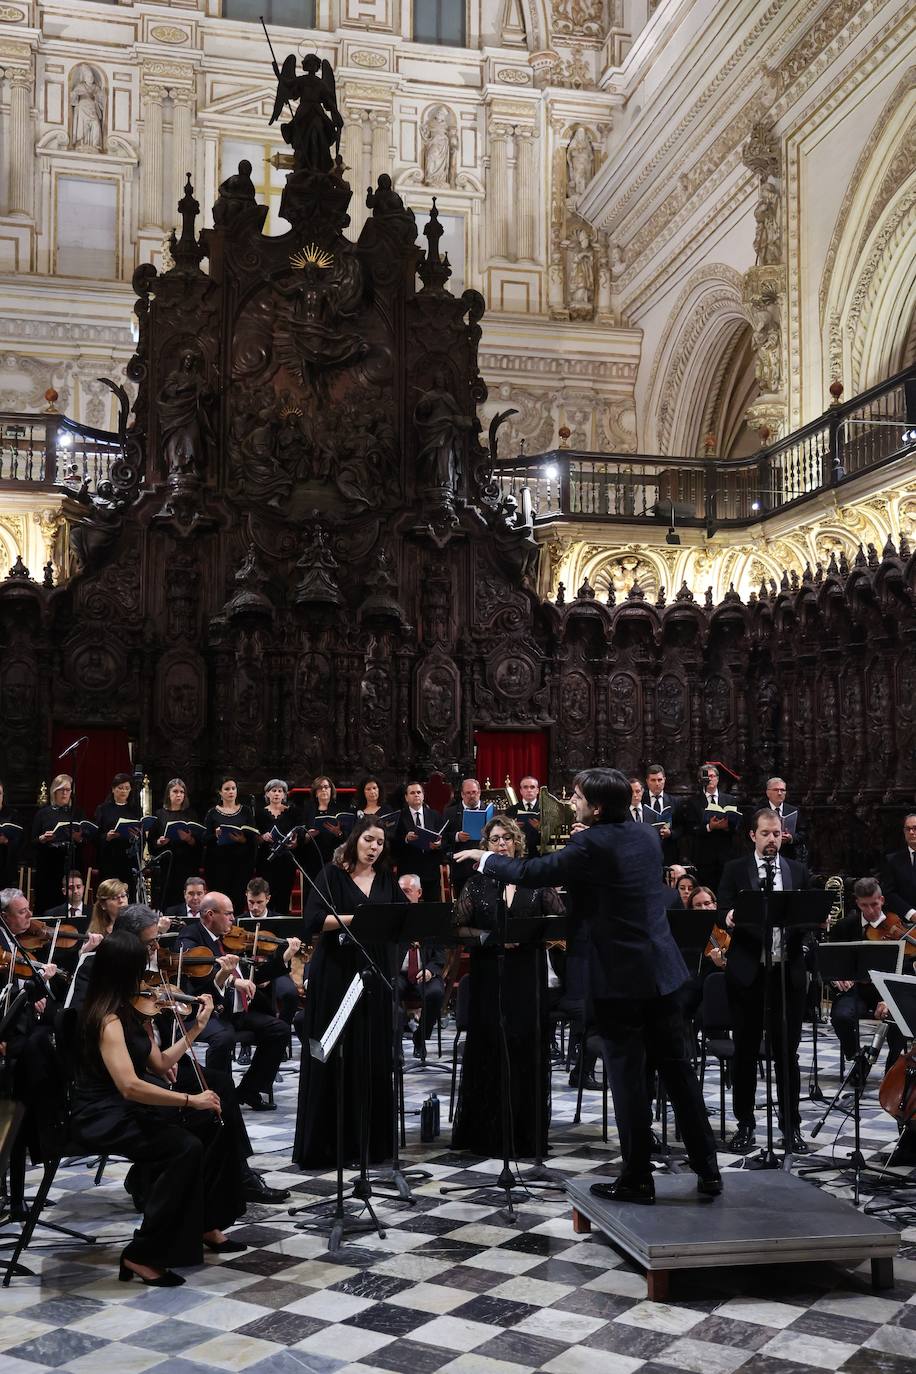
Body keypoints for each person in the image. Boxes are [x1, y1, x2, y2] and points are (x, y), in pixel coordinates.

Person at [456, 769, 720, 1205]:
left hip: (619, 980)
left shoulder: (589, 843)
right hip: (662, 972)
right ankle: (708, 1170)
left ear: (595, 808)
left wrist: (483, 858)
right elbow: (608, 869)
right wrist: (588, 841)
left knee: (629, 1079)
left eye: (577, 798)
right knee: (678, 1073)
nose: (571, 803)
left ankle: (637, 1178)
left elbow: (535, 870)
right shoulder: (644, 835)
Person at [66, 905, 289, 1205]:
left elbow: (176, 1005)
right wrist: (143, 1041)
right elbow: (84, 1021)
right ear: (129, 942)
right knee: (200, 1105)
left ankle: (233, 1175)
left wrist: (204, 1004)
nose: (157, 948)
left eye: (157, 939)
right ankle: (159, 1178)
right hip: (125, 1071)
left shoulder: (159, 966)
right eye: (149, 942)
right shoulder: (97, 969)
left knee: (219, 1083)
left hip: (158, 1060)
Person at [71, 929, 247, 1285]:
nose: (148, 977)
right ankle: (141, 1254)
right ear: (122, 972)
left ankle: (204, 1223)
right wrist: (188, 1098)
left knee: (210, 1124)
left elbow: (159, 1062)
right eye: (140, 969)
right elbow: (130, 1086)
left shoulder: (131, 1010)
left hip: (124, 1106)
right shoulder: (107, 1019)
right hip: (102, 1113)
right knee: (183, 1148)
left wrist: (196, 1028)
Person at [293, 817, 404, 1169]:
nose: (374, 848)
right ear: (356, 840)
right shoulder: (331, 874)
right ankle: (331, 1144)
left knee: (370, 1054)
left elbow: (402, 917)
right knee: (337, 1055)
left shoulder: (386, 879)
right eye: (369, 840)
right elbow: (312, 920)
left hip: (375, 975)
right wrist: (361, 918)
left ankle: (370, 1145)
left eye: (380, 843)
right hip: (337, 976)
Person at [452, 815, 563, 1158]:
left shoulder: (535, 882)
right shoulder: (477, 884)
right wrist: (490, 937)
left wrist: (538, 936)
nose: (501, 844)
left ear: (517, 844)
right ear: (486, 847)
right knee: (491, 1047)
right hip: (490, 975)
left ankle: (525, 1134)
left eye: (507, 839)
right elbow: (456, 928)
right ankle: (487, 1135)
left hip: (527, 976)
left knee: (525, 1047)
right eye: (495, 839)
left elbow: (560, 922)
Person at [718, 808, 813, 1154]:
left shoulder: (798, 871)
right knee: (744, 1052)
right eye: (766, 834)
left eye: (777, 834)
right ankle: (745, 1124)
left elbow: (807, 919)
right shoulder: (735, 869)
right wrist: (728, 914)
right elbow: (722, 906)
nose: (772, 840)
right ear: (753, 836)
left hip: (787, 974)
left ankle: (791, 1128)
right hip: (748, 973)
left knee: (787, 1054)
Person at [178, 891, 288, 1111]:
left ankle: (248, 1090)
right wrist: (228, 979)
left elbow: (256, 976)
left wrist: (283, 957)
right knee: (223, 1038)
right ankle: (220, 1098)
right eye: (228, 914)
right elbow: (200, 979)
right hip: (208, 1011)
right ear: (210, 914)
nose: (233, 919)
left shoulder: (230, 937)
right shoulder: (190, 938)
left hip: (236, 1011)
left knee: (280, 1030)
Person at [1, 886, 64, 1218]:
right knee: (16, 1119)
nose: (29, 916)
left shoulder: (14, 944)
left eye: (28, 909)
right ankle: (10, 1198)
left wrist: (38, 981)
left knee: (25, 1119)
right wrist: (34, 982)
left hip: (24, 1040)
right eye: (22, 911)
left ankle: (18, 1196)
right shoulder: (3, 948)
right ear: (4, 916)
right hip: (12, 1044)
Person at [827, 877, 908, 1073]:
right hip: (856, 991)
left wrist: (891, 998)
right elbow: (828, 961)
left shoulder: (898, 928)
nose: (871, 911)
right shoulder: (845, 927)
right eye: (865, 905)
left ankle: (892, 1071)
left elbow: (906, 969)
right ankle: (857, 1058)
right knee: (841, 1016)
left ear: (881, 900)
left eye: (874, 904)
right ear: (857, 903)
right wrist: (836, 977)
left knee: (900, 1019)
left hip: (889, 992)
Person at [395, 870, 446, 1062]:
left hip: (424, 973)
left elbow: (440, 956)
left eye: (408, 891)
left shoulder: (431, 918)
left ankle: (420, 1037)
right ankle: (396, 1046)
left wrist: (430, 971)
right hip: (398, 973)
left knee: (435, 993)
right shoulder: (391, 918)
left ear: (419, 893)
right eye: (401, 891)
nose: (404, 895)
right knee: (389, 992)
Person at [238, 876, 302, 1026]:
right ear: (246, 897)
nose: (254, 907)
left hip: (276, 970)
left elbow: (281, 955)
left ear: (268, 899)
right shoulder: (238, 922)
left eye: (259, 902)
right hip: (248, 972)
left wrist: (269, 973)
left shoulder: (280, 921)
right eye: (251, 902)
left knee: (290, 994)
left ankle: (281, 1032)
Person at [31, 773, 87, 918]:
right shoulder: (43, 814)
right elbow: (32, 841)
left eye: (68, 790)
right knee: (48, 902)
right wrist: (42, 838)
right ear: (54, 792)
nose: (64, 793)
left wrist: (79, 838)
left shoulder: (77, 812)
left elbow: (86, 839)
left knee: (71, 902)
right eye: (61, 789)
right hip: (49, 864)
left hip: (71, 863)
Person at [203, 777, 257, 915]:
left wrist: (242, 839)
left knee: (238, 898)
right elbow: (205, 838)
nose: (231, 791)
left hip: (241, 863)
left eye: (233, 788)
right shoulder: (212, 813)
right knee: (221, 899)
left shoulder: (245, 811)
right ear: (220, 792)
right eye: (227, 789)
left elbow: (253, 836)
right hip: (219, 864)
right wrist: (215, 835)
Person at [682, 764, 739, 890]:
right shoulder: (693, 801)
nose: (710, 779)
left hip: (726, 854)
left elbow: (737, 827)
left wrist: (727, 826)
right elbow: (690, 828)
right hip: (704, 856)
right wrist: (709, 826)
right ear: (700, 780)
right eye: (706, 777)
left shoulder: (729, 800)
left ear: (718, 779)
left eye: (712, 776)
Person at [149, 778, 203, 912]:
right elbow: (151, 843)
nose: (179, 795)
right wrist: (159, 842)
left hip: (187, 864)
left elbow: (199, 843)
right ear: (168, 793)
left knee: (186, 898)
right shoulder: (159, 815)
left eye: (182, 792)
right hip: (167, 865)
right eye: (175, 791)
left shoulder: (191, 814)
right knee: (167, 900)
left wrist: (189, 839)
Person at [254, 778, 301, 916]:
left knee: (284, 894)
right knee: (267, 893)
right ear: (267, 794)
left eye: (280, 791)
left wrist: (295, 840)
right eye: (273, 791)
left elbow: (298, 831)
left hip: (286, 860)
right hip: (266, 860)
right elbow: (253, 835)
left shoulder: (292, 812)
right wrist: (262, 837)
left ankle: (282, 923)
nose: (276, 794)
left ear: (284, 795)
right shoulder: (259, 813)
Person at [392, 780, 445, 902]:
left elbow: (444, 838)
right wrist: (405, 839)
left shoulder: (435, 815)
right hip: (408, 869)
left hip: (430, 869)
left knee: (432, 908)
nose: (416, 795)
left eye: (418, 792)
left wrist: (439, 844)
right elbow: (392, 842)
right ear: (406, 797)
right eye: (412, 793)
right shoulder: (399, 816)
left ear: (423, 795)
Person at [94, 773, 140, 893]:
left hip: (128, 859)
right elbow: (95, 835)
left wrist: (136, 835)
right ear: (113, 789)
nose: (123, 791)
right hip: (109, 858)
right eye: (120, 788)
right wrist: (107, 837)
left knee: (128, 894)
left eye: (127, 788)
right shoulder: (103, 809)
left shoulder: (134, 810)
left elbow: (140, 835)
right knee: (110, 893)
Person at [443, 777, 488, 896]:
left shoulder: (490, 811)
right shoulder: (450, 812)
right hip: (461, 868)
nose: (471, 795)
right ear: (462, 795)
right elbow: (442, 837)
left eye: (474, 792)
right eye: (468, 793)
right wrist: (457, 836)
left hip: (484, 866)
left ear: (479, 792)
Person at [301, 775, 348, 881]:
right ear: (315, 793)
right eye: (320, 788)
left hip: (334, 857)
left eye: (326, 787)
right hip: (312, 857)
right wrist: (307, 836)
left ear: (331, 790)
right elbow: (301, 831)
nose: (323, 790)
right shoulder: (308, 810)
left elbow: (347, 835)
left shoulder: (339, 809)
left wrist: (338, 833)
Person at [879, 813, 916, 921]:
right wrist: (910, 913)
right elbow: (889, 892)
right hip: (903, 922)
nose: (911, 832)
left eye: (915, 828)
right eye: (908, 829)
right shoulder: (892, 860)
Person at [758, 777, 805, 857]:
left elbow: (803, 833)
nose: (779, 793)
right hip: (765, 854)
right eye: (776, 790)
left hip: (788, 855)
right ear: (768, 793)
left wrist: (791, 838)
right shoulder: (759, 811)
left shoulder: (793, 810)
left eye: (782, 790)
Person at [644, 763, 680, 864]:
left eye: (660, 780)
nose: (657, 783)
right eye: (653, 780)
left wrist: (671, 833)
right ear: (647, 781)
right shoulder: (641, 801)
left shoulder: (674, 802)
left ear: (664, 779)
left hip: (667, 850)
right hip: (646, 849)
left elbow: (681, 827)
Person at [507, 774, 541, 857]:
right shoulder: (511, 810)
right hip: (518, 852)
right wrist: (512, 827)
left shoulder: (545, 809)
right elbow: (505, 833)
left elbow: (553, 832)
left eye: (532, 787)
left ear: (537, 790)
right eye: (525, 787)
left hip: (540, 852)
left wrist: (540, 828)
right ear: (521, 791)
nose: (529, 790)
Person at [0, 778, 23, 892]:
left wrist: (7, 841)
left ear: (3, 795)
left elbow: (21, 840)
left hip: (5, 865)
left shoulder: (12, 814)